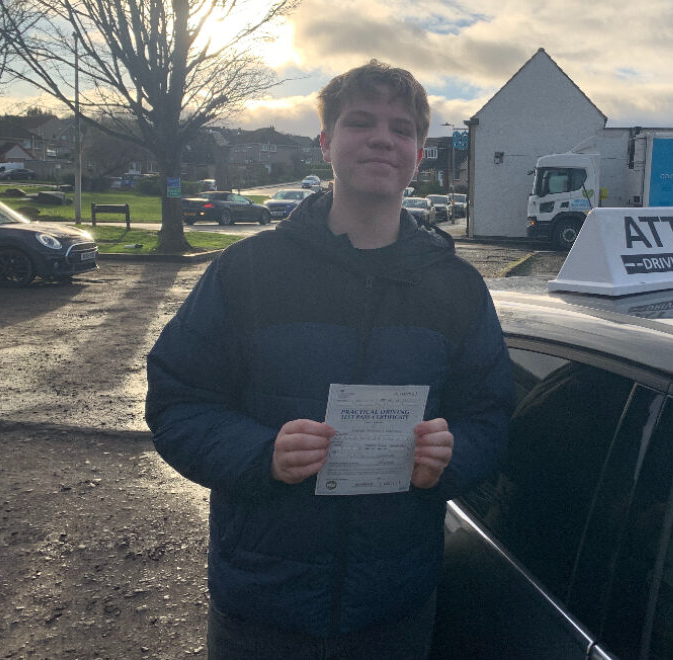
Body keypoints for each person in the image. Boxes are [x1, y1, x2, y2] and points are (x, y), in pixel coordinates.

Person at [145, 60, 514, 660]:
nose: (382, 138)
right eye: (360, 122)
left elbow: (491, 416)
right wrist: (261, 454)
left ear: (419, 153)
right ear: (326, 143)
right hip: (262, 611)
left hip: (393, 610)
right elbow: (176, 402)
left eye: (401, 128)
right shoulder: (247, 271)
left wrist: (452, 456)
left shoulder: (458, 289)